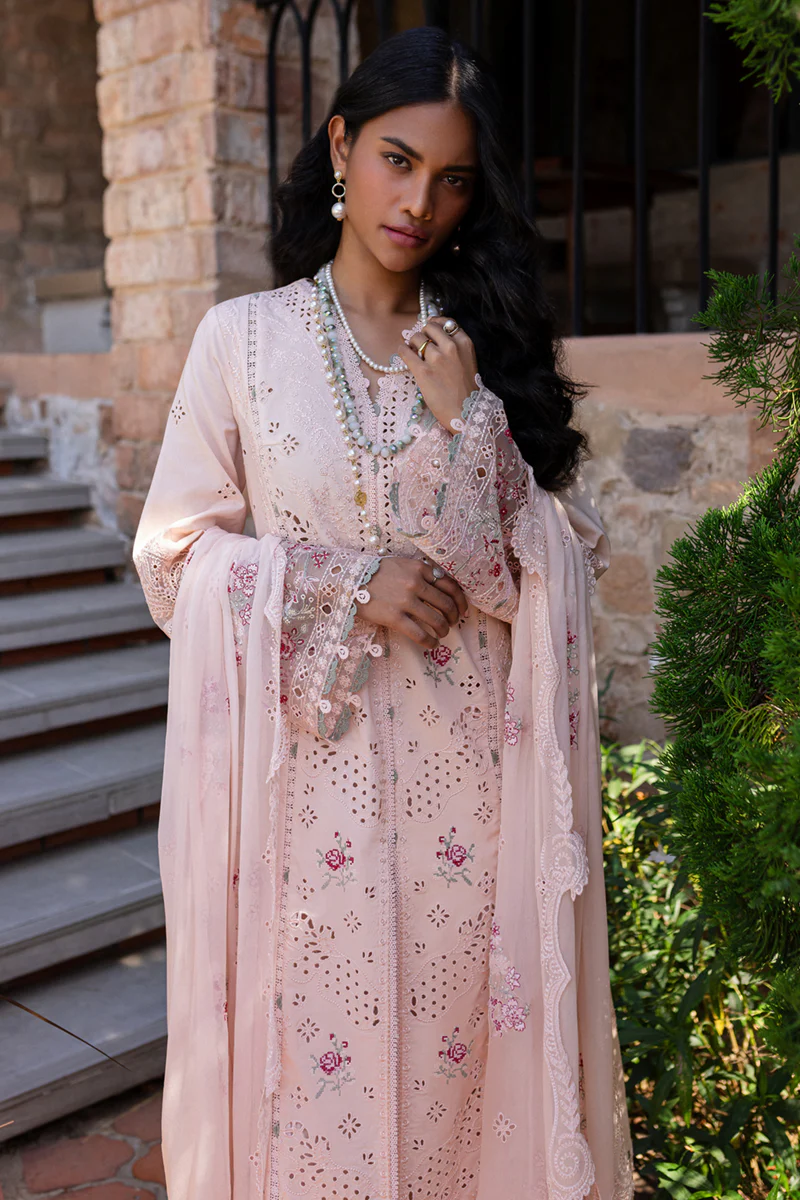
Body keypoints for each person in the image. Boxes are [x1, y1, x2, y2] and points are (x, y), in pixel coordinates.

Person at [133, 24, 634, 1200]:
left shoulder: (478, 353)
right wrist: (349, 580)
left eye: (450, 179)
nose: (417, 203)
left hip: (469, 811)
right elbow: (173, 561)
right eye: (397, 162)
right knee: (318, 1101)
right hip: (309, 812)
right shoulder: (241, 343)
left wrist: (472, 422)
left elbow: (543, 571)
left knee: (455, 1099)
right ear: (340, 146)